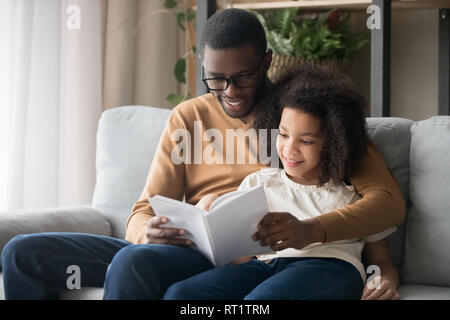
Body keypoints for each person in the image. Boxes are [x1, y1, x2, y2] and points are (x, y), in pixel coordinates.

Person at [1, 9, 404, 300]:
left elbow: (385, 204)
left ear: (265, 63)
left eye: (243, 77)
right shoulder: (188, 116)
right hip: (179, 250)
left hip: (246, 259)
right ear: (203, 67)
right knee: (21, 252)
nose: (230, 91)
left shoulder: (303, 116)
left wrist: (314, 231)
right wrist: (148, 232)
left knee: (132, 265)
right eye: (216, 79)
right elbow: (141, 210)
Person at [163, 65, 400, 300]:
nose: (289, 149)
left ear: (335, 144)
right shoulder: (258, 183)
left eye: (306, 141)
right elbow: (242, 258)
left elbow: (380, 261)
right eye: (284, 135)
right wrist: (211, 216)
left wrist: (384, 279)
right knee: (179, 293)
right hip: (266, 267)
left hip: (330, 267)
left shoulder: (351, 195)